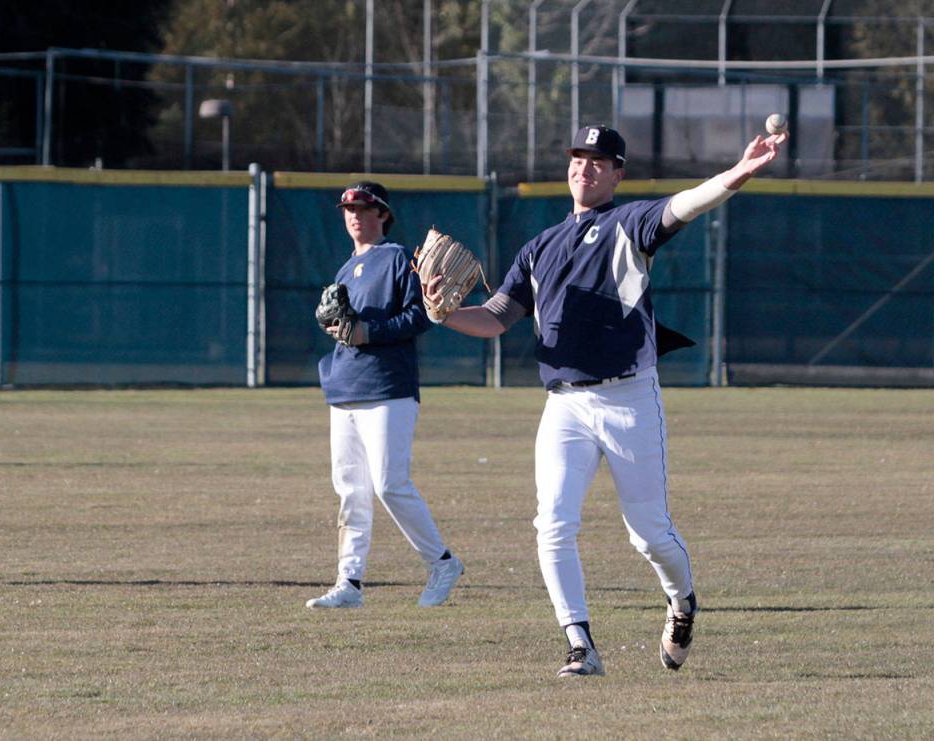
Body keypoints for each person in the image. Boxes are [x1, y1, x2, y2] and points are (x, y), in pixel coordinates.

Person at [424, 125, 788, 676]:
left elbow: (684, 206)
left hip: (628, 398)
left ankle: (682, 600)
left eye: (599, 160)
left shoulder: (629, 225)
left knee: (649, 534)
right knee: (552, 524)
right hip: (564, 404)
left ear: (617, 173)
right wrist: (446, 313)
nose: (585, 168)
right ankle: (579, 644)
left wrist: (736, 175)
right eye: (577, 157)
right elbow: (497, 317)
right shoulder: (538, 248)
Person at [306, 180, 465, 610]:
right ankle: (349, 583)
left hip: (387, 388)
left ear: (383, 214)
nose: (354, 214)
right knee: (351, 490)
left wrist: (368, 331)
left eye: (364, 207)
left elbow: (421, 316)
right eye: (348, 208)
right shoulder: (344, 269)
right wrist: (338, 329)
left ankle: (443, 563)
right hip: (345, 386)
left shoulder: (398, 259)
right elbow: (343, 326)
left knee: (391, 484)